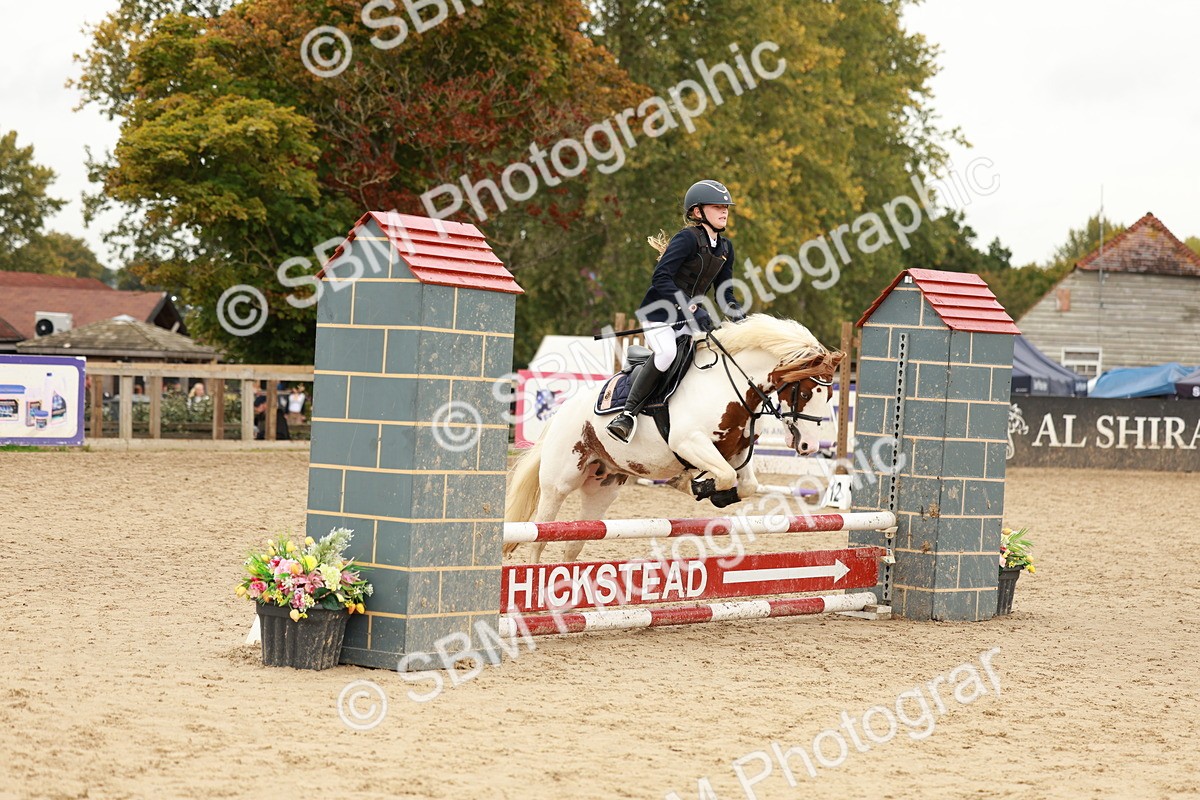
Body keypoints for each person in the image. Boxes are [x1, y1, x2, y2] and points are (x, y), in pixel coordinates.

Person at [606, 179, 745, 443]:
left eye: (726, 207)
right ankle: (627, 415)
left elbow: (724, 292)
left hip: (689, 317)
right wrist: (693, 307)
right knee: (668, 352)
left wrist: (739, 315)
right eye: (717, 206)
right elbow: (661, 278)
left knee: (713, 354)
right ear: (697, 212)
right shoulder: (686, 239)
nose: (724, 211)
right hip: (659, 314)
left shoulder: (726, 248)